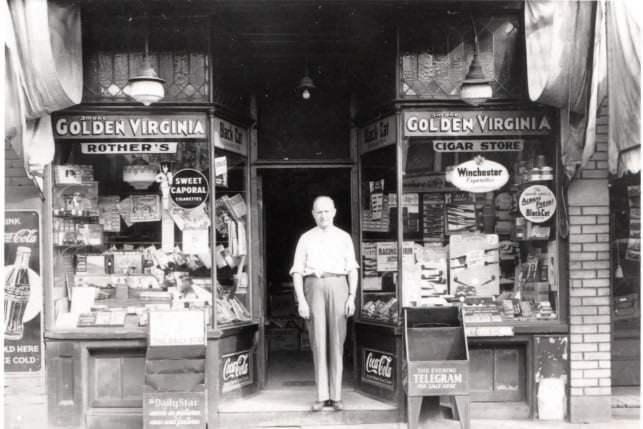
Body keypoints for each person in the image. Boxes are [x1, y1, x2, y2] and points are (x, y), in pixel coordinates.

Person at [290, 196, 359, 412]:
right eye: (319, 212)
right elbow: (297, 271)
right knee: (318, 341)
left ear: (334, 212)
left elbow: (352, 269)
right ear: (313, 214)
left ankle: (336, 396)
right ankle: (322, 395)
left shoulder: (344, 237)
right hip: (314, 287)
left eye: (327, 211)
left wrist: (352, 297)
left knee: (338, 340)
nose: (323, 215)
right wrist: (301, 300)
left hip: (339, 285)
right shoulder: (306, 238)